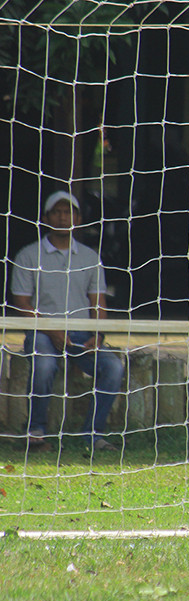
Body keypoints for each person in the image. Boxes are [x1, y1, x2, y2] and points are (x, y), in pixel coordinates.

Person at [10, 190, 124, 452]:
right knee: (44, 364)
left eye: (69, 212)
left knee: (113, 368)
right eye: (57, 212)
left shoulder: (90, 257)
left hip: (81, 333)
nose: (63, 218)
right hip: (42, 331)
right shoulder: (29, 255)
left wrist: (98, 334)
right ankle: (35, 432)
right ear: (46, 217)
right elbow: (22, 303)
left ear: (78, 219)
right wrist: (51, 330)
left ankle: (93, 435)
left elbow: (98, 302)